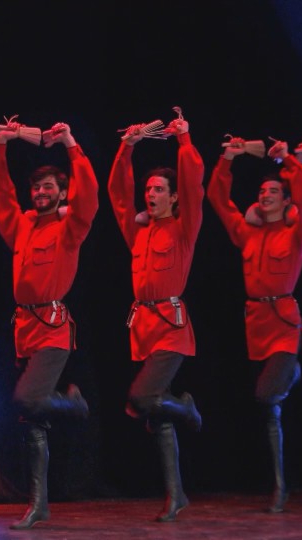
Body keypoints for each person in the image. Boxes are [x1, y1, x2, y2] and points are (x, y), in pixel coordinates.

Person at [0, 120, 99, 529]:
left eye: (48, 187)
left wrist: (71, 145)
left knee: (27, 399)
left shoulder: (70, 227)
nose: (40, 193)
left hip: (53, 329)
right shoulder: (23, 225)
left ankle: (72, 403)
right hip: (24, 332)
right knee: (31, 417)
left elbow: (89, 197)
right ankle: (39, 503)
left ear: (62, 192)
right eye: (36, 188)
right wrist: (0, 145)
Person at [207, 136, 302, 513]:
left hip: (285, 323)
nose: (266, 194)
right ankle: (280, 485)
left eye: (274, 191)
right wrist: (228, 159)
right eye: (262, 191)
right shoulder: (247, 232)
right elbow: (217, 198)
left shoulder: (295, 233)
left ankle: (280, 484)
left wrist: (287, 160)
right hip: (256, 326)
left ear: (286, 200)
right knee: (267, 407)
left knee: (266, 396)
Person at [107, 112, 204, 521]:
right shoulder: (140, 231)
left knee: (142, 399)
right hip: (144, 330)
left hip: (172, 329)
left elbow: (194, 185)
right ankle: (176, 495)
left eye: (159, 189)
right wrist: (126, 147)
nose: (150, 194)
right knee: (155, 416)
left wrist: (184, 141)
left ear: (173, 197)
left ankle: (188, 408)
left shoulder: (184, 228)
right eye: (148, 189)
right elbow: (118, 193)